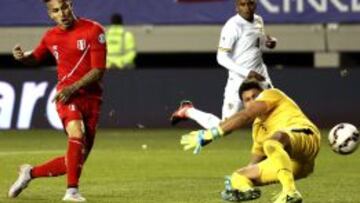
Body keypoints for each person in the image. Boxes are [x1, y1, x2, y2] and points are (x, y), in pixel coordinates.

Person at [8, 0, 107, 201]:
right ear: (50, 15)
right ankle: (72, 191)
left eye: (64, 8)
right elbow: (35, 58)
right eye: (55, 11)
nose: (61, 13)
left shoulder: (94, 30)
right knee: (76, 132)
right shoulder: (50, 37)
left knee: (76, 160)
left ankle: (30, 173)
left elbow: (98, 70)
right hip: (65, 95)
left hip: (91, 98)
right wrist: (22, 58)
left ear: (71, 6)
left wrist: (74, 87)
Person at [180, 78, 321, 203]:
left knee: (272, 142)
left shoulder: (272, 94)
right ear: (243, 104)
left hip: (306, 137)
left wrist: (212, 133)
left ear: (262, 94)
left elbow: (246, 116)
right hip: (295, 165)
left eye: (255, 96)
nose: (252, 101)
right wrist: (238, 183)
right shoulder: (258, 129)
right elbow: (254, 164)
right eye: (247, 100)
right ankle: (276, 193)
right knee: (239, 175)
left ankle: (290, 192)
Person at [171, 0, 276, 129]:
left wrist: (269, 42)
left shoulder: (258, 20)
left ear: (255, 4)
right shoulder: (232, 26)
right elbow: (221, 58)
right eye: (243, 4)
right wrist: (247, 72)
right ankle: (187, 111)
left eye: (250, 3)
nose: (247, 8)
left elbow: (255, 42)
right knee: (224, 126)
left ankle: (274, 145)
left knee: (275, 110)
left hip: (260, 76)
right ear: (237, 7)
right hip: (239, 79)